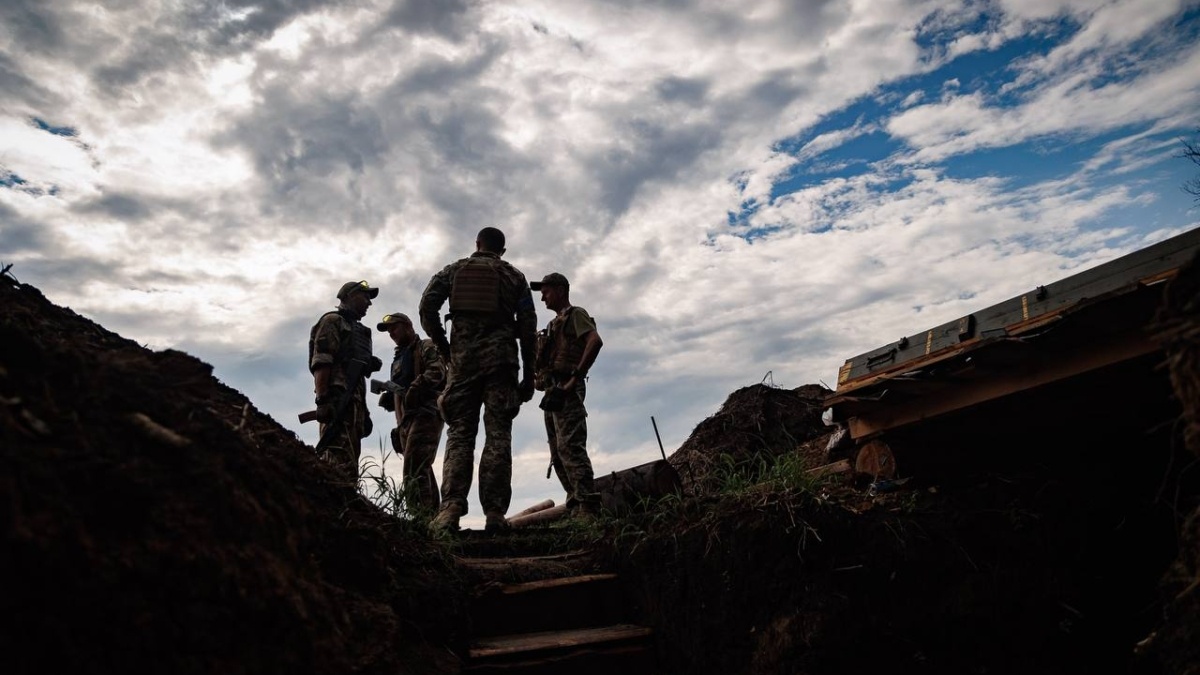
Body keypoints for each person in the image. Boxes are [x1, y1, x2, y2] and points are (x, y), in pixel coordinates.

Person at [419, 226, 537, 533]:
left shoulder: (455, 270)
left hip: (463, 365)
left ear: (477, 244)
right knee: (498, 437)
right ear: (502, 250)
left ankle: (450, 509)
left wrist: (444, 347)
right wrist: (529, 373)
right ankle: (495, 514)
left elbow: (427, 306)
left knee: (459, 434)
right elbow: (528, 327)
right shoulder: (515, 277)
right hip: (502, 365)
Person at [530, 272, 604, 516]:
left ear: (561, 290)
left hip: (566, 389)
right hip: (552, 391)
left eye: (546, 292)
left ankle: (588, 506)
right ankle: (575, 505)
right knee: (558, 452)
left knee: (571, 447)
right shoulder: (553, 325)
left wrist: (576, 377)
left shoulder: (576, 314)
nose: (543, 298)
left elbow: (594, 341)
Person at [308, 280, 384, 482]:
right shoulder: (333, 321)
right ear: (348, 296)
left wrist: (364, 412)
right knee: (334, 462)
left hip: (354, 404)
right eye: (365, 296)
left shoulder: (358, 330)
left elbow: (356, 376)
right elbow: (322, 362)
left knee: (349, 466)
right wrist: (322, 400)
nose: (369, 302)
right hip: (336, 402)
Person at [376, 312, 446, 514]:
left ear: (408, 326)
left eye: (394, 328)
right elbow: (401, 386)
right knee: (421, 465)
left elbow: (437, 371)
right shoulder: (399, 358)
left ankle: (420, 516)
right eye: (388, 331)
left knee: (414, 466)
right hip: (406, 420)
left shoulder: (425, 346)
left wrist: (415, 388)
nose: (391, 333)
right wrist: (391, 396)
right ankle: (433, 518)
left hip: (426, 412)